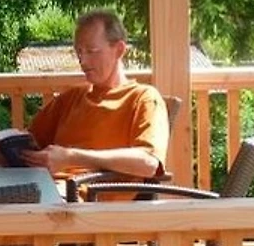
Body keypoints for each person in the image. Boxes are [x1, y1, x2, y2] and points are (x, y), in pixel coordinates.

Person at [19, 9, 168, 179]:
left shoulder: (143, 98)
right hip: (45, 187)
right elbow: (31, 141)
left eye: (91, 51)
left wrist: (71, 158)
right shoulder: (71, 98)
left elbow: (148, 163)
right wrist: (7, 149)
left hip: (88, 193)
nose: (83, 61)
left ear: (119, 50)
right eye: (79, 52)